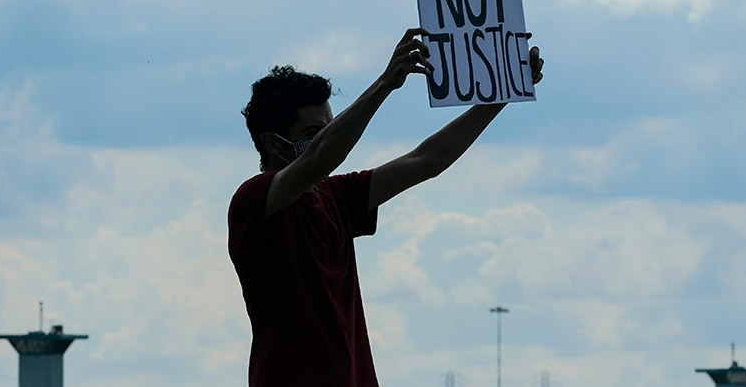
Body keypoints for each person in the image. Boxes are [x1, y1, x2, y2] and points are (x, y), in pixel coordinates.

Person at [228, 27, 544, 387]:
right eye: (315, 132)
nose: (329, 137)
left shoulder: (337, 197)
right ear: (273, 144)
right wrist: (385, 84)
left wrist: (502, 95)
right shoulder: (252, 200)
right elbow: (320, 158)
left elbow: (428, 158)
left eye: (330, 128)